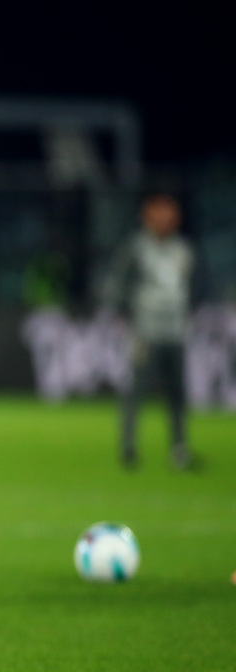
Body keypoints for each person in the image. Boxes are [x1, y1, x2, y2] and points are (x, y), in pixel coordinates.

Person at [104, 192, 196, 470]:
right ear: (147, 215)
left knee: (178, 392)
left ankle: (179, 448)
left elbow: (193, 287)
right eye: (160, 212)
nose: (166, 218)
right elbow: (116, 285)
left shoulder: (184, 249)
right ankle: (128, 446)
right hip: (145, 333)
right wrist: (128, 316)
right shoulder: (136, 248)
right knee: (137, 390)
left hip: (176, 332)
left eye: (170, 212)